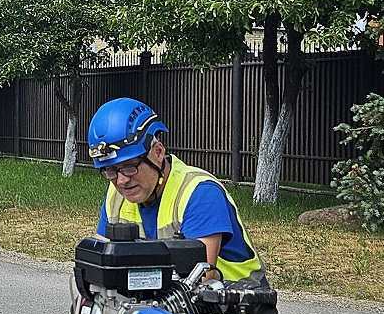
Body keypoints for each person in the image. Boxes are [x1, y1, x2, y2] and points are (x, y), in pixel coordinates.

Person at [87, 96, 266, 286]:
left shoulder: (200, 192)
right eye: (110, 170)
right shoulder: (116, 195)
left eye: (130, 166)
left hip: (238, 304)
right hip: (162, 300)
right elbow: (101, 260)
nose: (121, 180)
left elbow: (200, 279)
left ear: (157, 152)